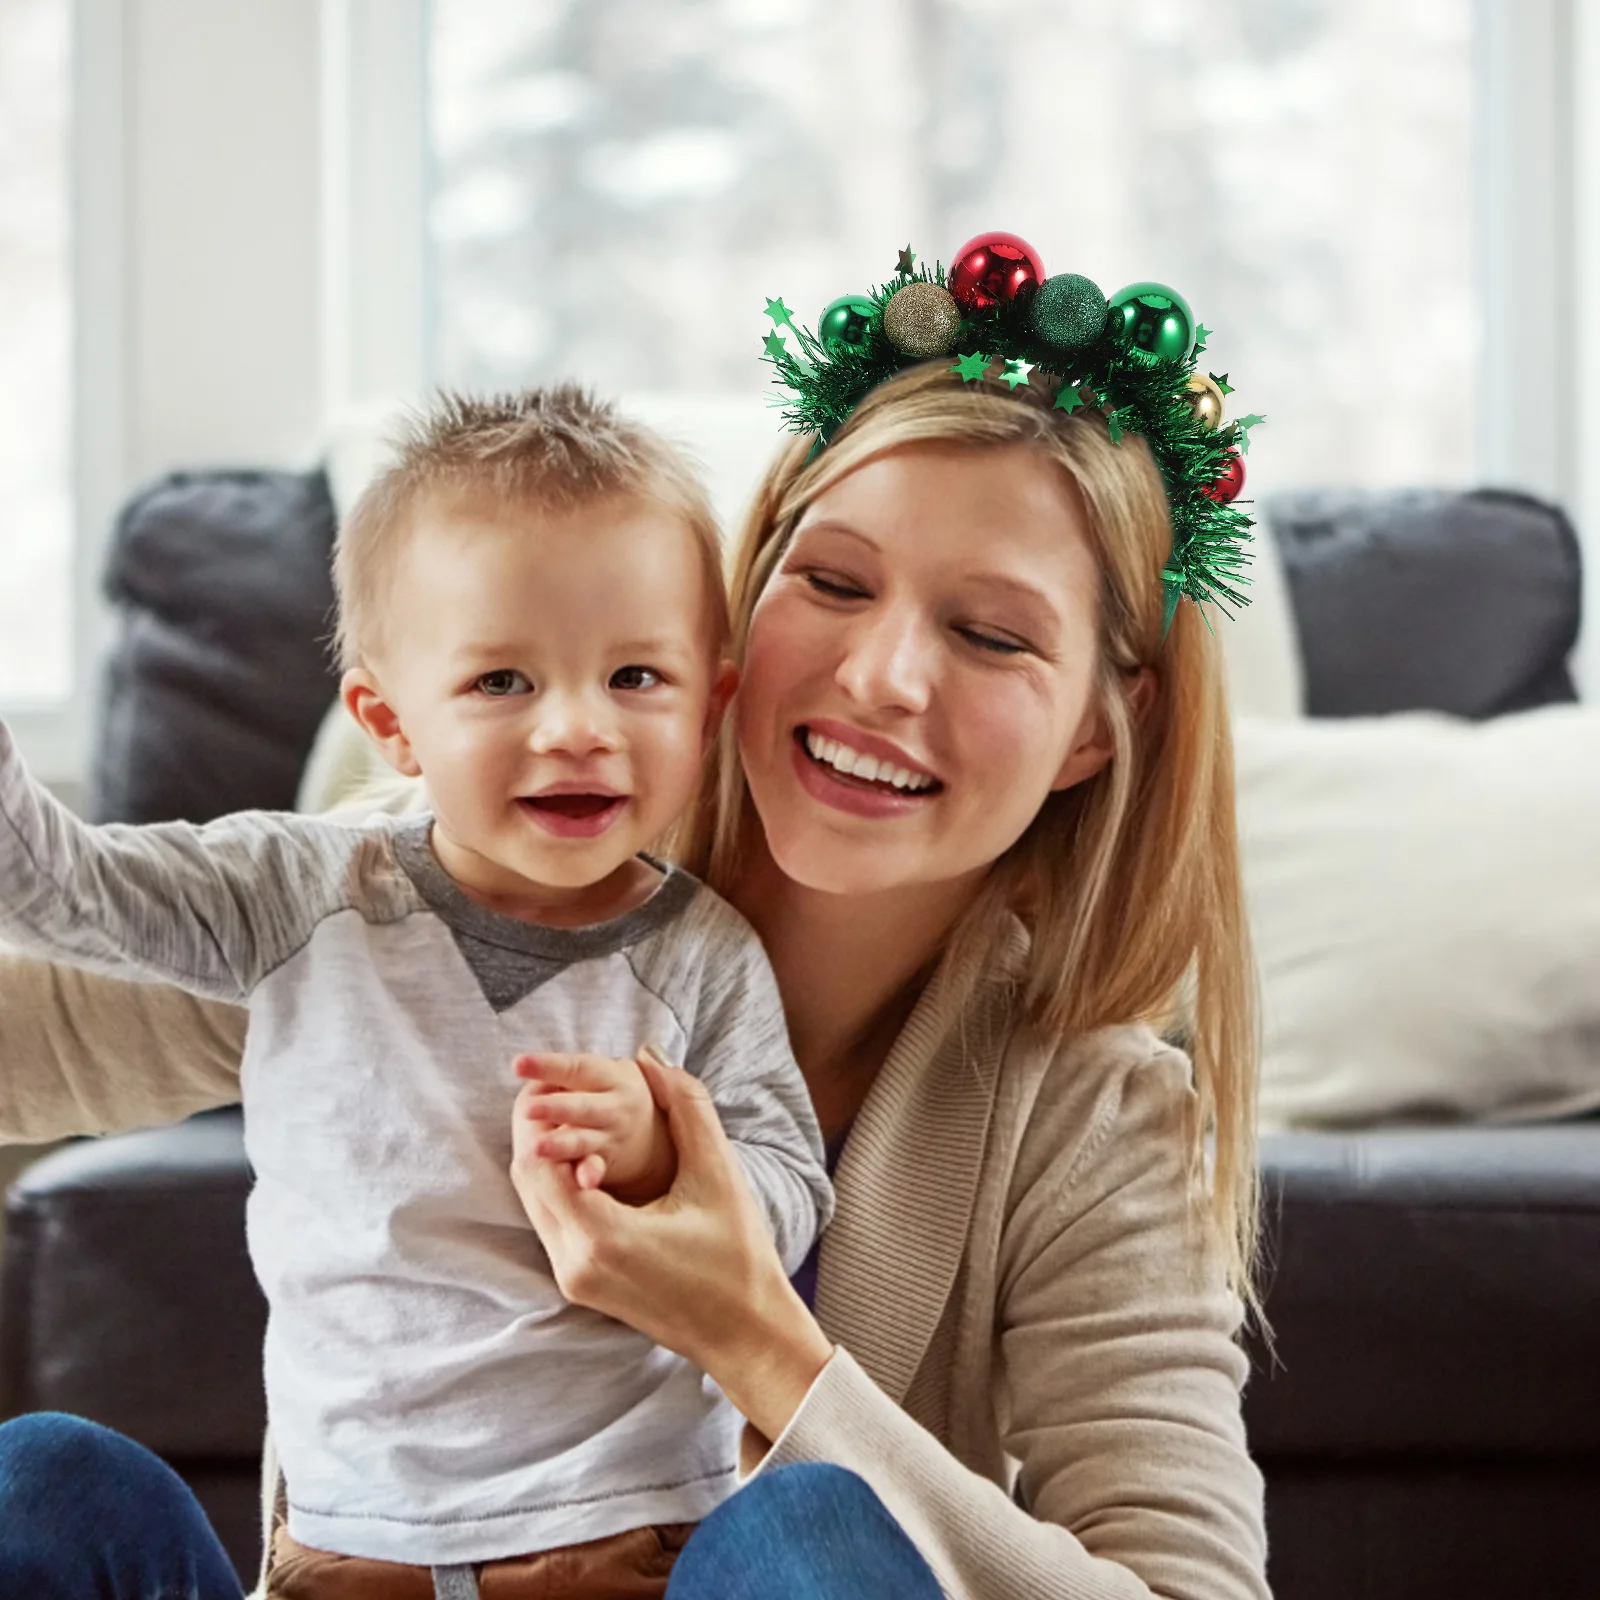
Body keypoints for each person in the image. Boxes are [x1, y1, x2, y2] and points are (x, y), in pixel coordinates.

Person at [0, 346, 1269, 1597]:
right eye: (830, 581)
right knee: (40, 1488)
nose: (881, 676)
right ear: (742, 602)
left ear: (1104, 726)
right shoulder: (426, 891)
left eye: (991, 635)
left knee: (810, 1535)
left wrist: (758, 1337)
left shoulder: (1100, 1121)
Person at [0, 389, 838, 1595]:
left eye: (635, 677)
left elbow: (789, 1192)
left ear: (709, 704)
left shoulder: (702, 952)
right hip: (349, 1557)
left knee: (817, 1520)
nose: (576, 729)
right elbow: (58, 889)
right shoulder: (294, 893)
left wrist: (671, 1155)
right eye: (503, 681)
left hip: (626, 1550)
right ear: (391, 722)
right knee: (40, 1481)